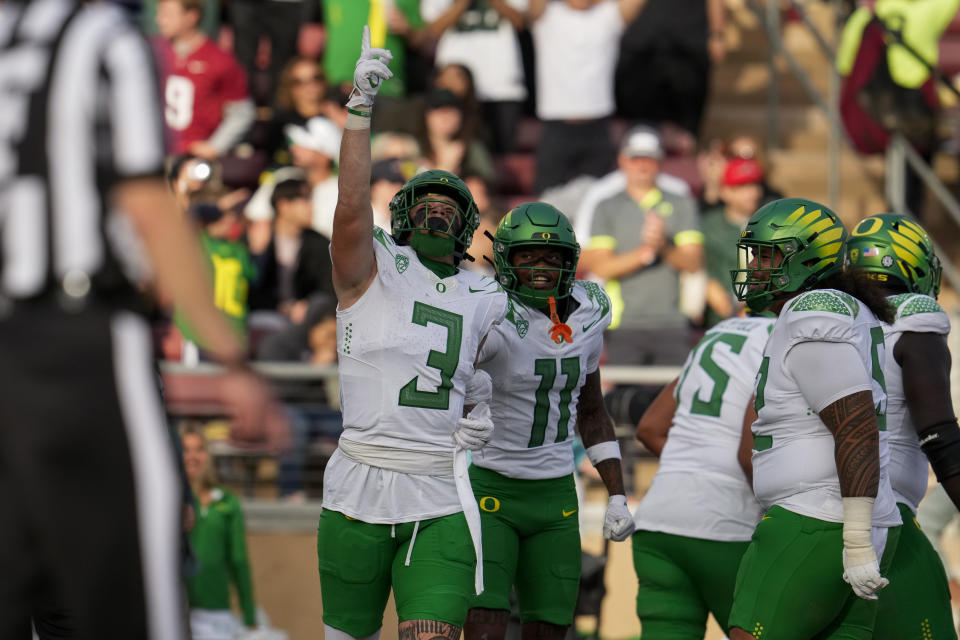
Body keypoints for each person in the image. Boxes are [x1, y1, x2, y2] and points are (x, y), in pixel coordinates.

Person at [0, 1, 285, 637]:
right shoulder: (102, 36)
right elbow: (149, 207)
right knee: (135, 597)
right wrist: (230, 359)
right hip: (80, 340)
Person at [317, 27, 511, 640]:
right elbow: (349, 209)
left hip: (438, 488)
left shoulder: (484, 291)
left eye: (449, 204)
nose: (437, 209)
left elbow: (527, 367)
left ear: (468, 226)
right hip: (359, 479)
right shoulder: (370, 263)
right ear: (400, 213)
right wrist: (359, 113)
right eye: (425, 200)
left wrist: (484, 402)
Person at [726, 198, 902, 640]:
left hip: (817, 519)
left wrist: (855, 537)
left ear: (808, 257)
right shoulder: (842, 309)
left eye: (768, 255)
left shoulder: (813, 311)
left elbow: (856, 423)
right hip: (848, 517)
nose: (755, 267)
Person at [463, 203, 634, 640]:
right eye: (528, 257)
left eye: (552, 257)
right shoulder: (489, 310)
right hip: (490, 486)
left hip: (556, 494)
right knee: (484, 622)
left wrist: (617, 494)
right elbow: (448, 387)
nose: (541, 267)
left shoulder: (590, 311)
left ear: (569, 261)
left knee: (554, 626)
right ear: (505, 260)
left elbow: (591, 410)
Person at [845, 214, 960, 639]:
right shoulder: (915, 315)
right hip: (884, 515)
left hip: (804, 511)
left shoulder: (826, 318)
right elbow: (938, 432)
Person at [633, 311, 772, 637]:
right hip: (727, 523)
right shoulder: (791, 335)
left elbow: (650, 428)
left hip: (658, 519)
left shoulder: (720, 331)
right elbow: (747, 454)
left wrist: (693, 472)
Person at [579, 126, 703, 365]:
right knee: (625, 397)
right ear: (623, 160)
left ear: (660, 161)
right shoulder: (606, 205)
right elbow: (602, 267)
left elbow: (694, 262)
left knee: (672, 396)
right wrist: (647, 252)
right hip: (623, 324)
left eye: (650, 158)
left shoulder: (680, 201)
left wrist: (663, 246)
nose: (643, 165)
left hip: (672, 322)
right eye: (636, 158)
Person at [528, 0, 645, 193]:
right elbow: (534, 8)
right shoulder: (547, 15)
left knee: (597, 199)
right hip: (556, 127)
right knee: (545, 202)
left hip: (597, 128)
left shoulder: (608, 15)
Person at [181, 424, 258, 638]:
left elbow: (239, 560)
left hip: (217, 616)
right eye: (185, 449)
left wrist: (249, 616)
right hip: (179, 611)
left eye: (199, 449)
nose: (192, 456)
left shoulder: (228, 501)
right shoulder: (168, 501)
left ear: (208, 455)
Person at [153, 0, 255, 158]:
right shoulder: (152, 53)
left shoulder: (219, 59)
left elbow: (241, 112)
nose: (160, 20)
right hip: (157, 153)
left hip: (195, 157)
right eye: (160, 14)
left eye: (168, 14)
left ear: (191, 16)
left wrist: (215, 146)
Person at [701, 158, 766, 326]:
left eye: (754, 185)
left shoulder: (770, 223)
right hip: (720, 319)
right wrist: (707, 284)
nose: (752, 192)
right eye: (742, 187)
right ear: (725, 192)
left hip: (764, 318)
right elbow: (698, 265)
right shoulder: (708, 225)